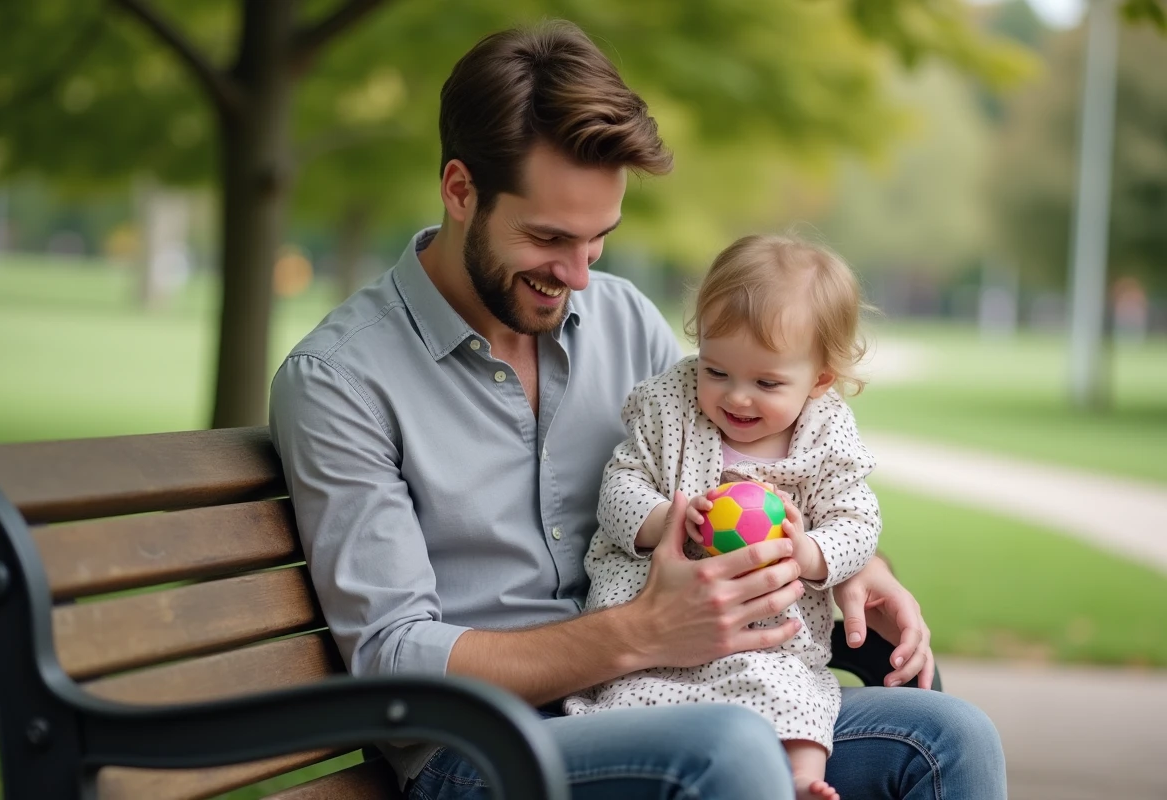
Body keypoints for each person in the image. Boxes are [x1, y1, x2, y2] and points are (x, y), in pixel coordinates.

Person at [269, 20, 1006, 800]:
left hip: (678, 694)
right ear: (459, 190)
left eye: (598, 240)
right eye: (550, 238)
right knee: (727, 751)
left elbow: (755, 475)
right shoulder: (341, 381)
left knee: (949, 739)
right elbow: (391, 659)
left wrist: (857, 571)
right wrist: (640, 633)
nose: (578, 276)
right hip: (481, 749)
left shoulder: (622, 321)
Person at [564, 234, 884, 800]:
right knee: (630, 696)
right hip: (653, 629)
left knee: (795, 695)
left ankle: (800, 780)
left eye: (766, 383)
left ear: (819, 379)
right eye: (716, 371)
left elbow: (858, 520)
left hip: (767, 640)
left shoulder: (826, 437)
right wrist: (666, 520)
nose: (736, 398)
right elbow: (619, 485)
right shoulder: (669, 407)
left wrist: (810, 552)